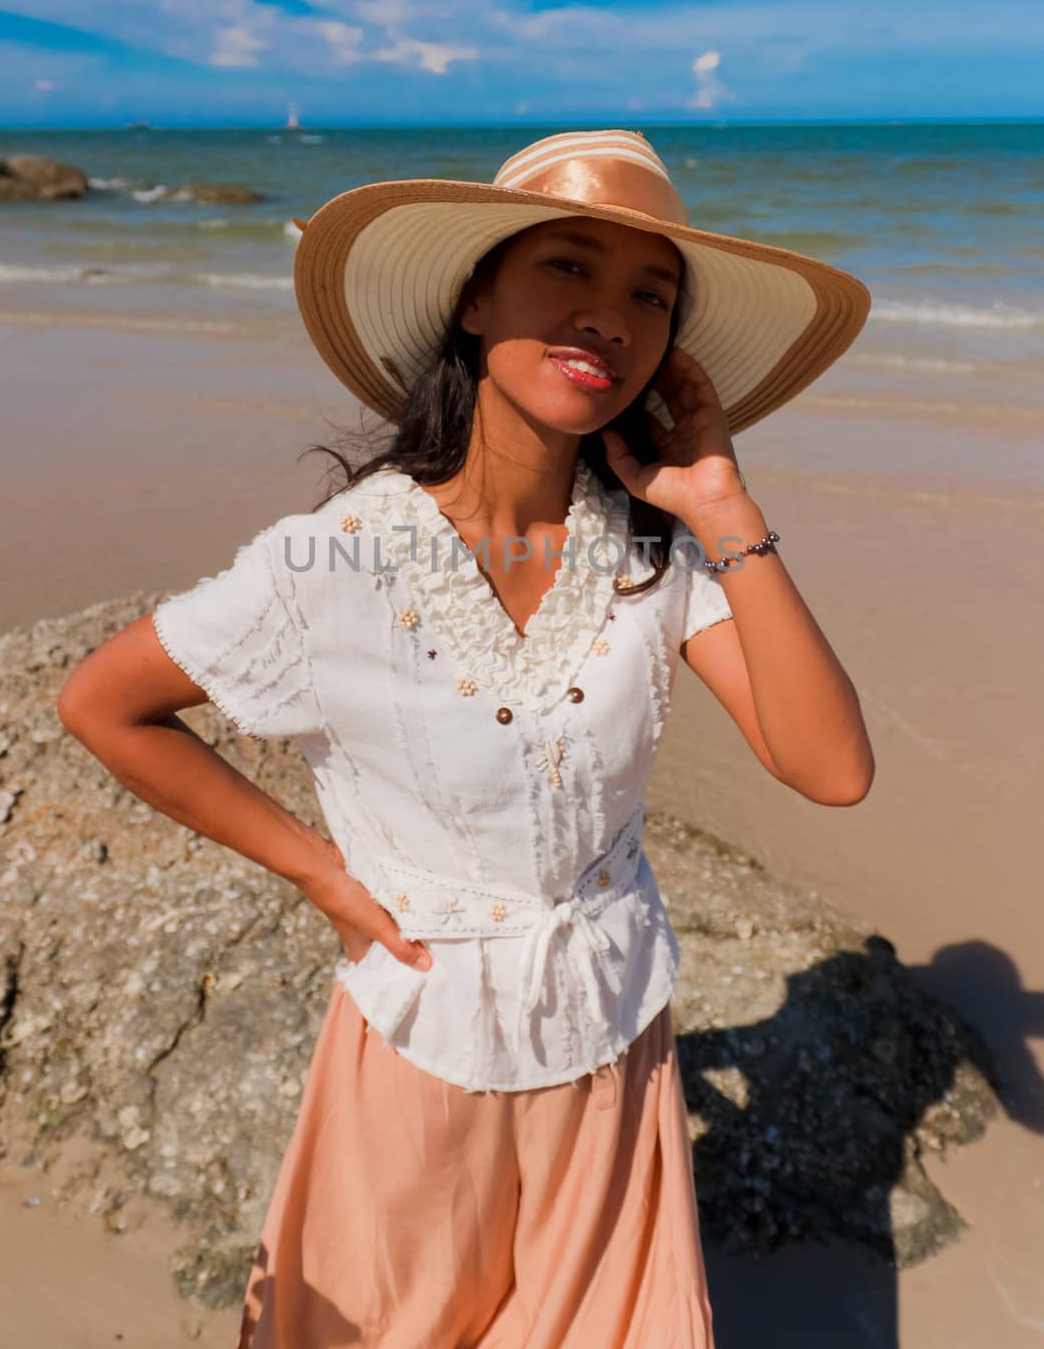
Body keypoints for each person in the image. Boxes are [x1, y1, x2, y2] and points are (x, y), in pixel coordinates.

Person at [57, 128, 875, 1348]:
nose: (609, 317)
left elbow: (831, 768)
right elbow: (102, 704)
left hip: (617, 1056)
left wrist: (721, 502)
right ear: (474, 293)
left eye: (648, 297)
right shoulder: (336, 559)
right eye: (567, 269)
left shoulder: (651, 559)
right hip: (420, 1056)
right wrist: (318, 873)